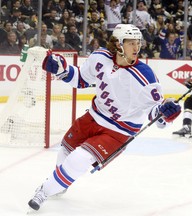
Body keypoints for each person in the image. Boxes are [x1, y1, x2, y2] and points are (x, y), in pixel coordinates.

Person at [28, 24, 181, 211]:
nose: (137, 48)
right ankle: (59, 184)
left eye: (138, 43)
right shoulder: (100, 57)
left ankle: (43, 191)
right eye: (131, 43)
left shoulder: (145, 76)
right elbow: (82, 79)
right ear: (117, 44)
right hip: (94, 116)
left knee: (78, 159)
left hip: (119, 131)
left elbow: (154, 113)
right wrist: (62, 69)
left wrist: (166, 113)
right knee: (65, 151)